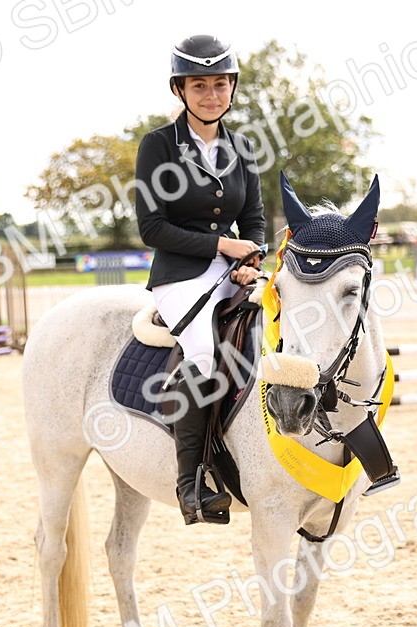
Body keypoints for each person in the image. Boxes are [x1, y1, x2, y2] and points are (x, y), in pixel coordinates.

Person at [134, 34, 266, 525]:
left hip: (233, 269)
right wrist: (223, 247)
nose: (211, 94)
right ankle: (191, 482)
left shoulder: (242, 147)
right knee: (204, 352)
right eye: (199, 85)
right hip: (180, 275)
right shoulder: (158, 146)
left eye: (219, 84)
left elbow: (252, 218)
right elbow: (152, 227)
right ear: (180, 90)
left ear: (231, 87)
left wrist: (250, 254)